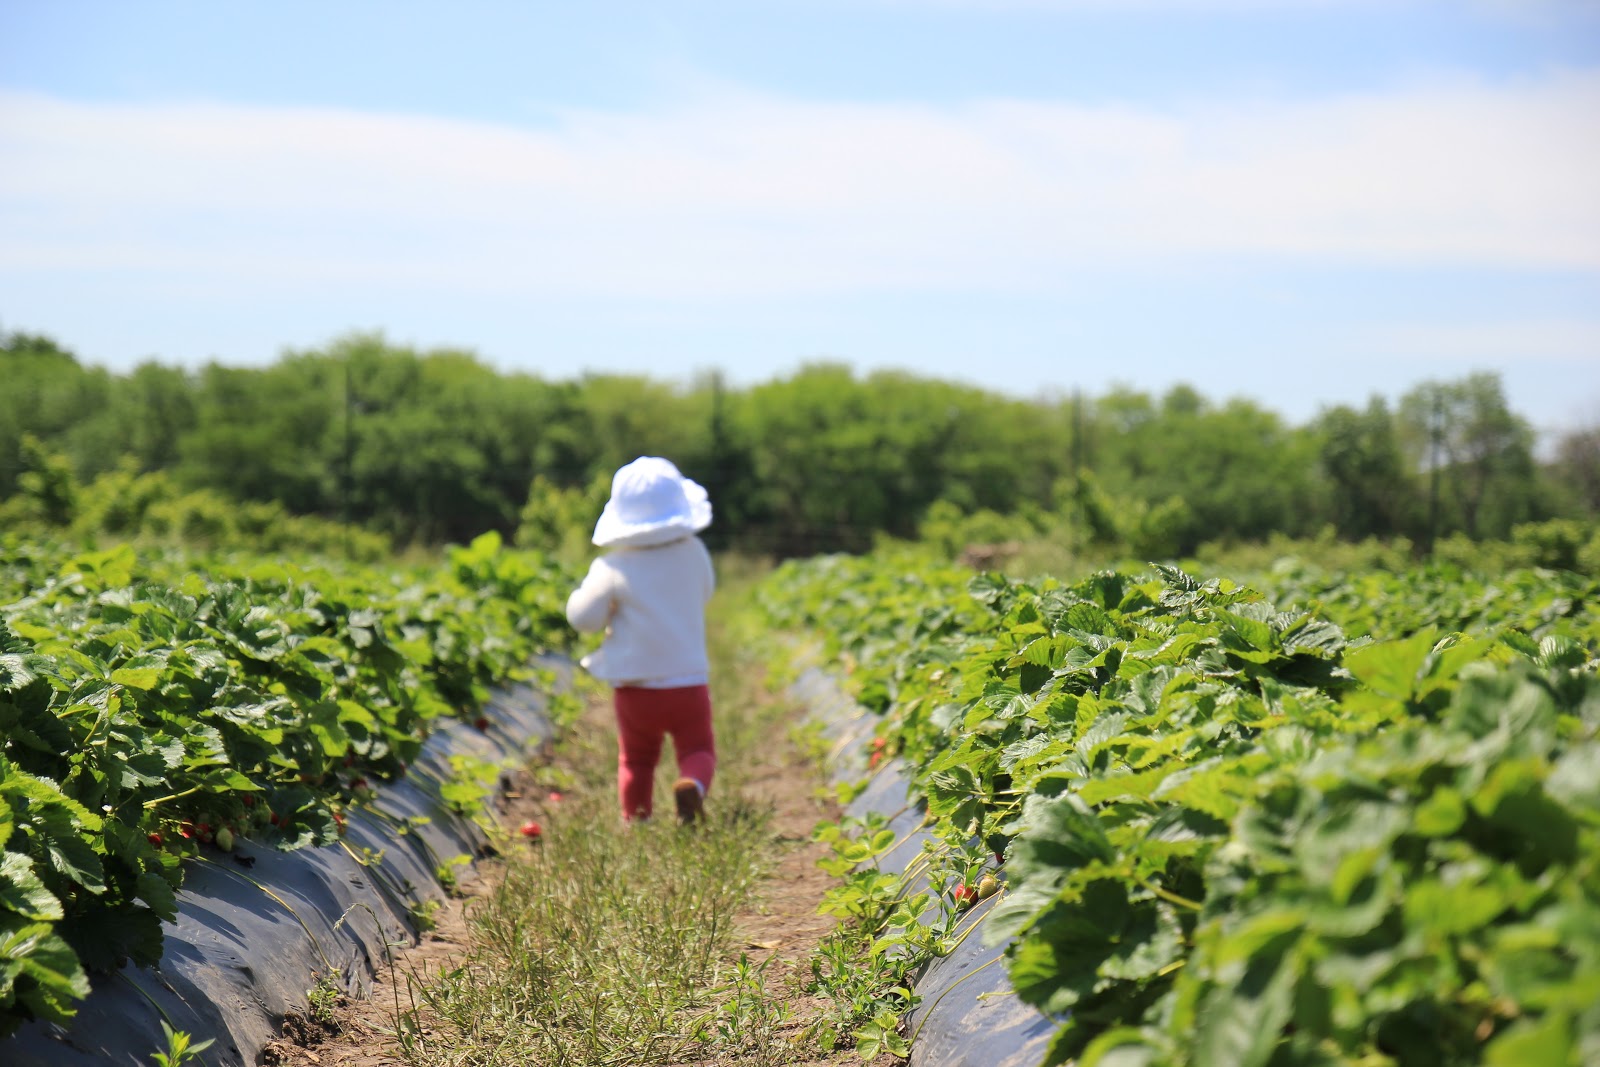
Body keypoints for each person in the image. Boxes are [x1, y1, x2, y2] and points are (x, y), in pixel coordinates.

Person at [565, 456, 717, 824]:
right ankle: (693, 785)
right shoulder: (694, 552)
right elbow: (706, 592)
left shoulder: (612, 566)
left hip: (636, 688)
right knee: (698, 749)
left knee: (636, 758)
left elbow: (584, 619)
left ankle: (637, 821)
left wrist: (604, 607)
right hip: (688, 682)